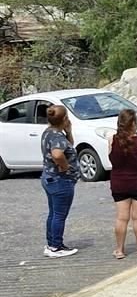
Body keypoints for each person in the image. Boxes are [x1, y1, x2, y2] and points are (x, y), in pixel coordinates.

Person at [108, 108, 137, 259]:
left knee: (121, 217)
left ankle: (119, 249)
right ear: (134, 123)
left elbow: (110, 158)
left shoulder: (112, 140)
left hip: (119, 183)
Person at [41, 105, 80, 258]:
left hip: (49, 178)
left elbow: (69, 145)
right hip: (60, 180)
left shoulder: (49, 132)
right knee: (59, 215)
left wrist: (68, 131)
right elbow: (57, 154)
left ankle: (51, 243)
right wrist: (65, 167)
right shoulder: (57, 136)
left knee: (53, 213)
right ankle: (56, 247)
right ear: (64, 119)